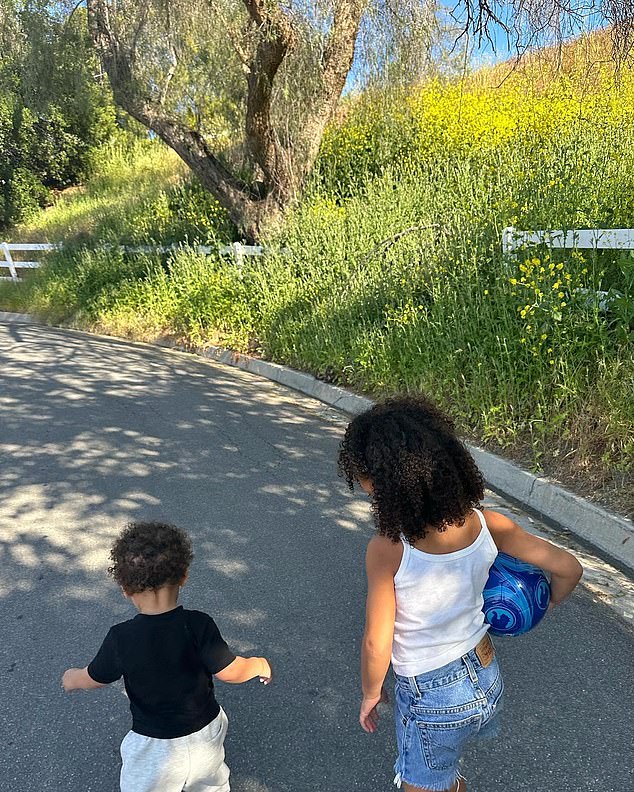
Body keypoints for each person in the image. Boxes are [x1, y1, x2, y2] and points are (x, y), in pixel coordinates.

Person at [337, 396, 583, 792]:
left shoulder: (389, 549)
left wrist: (369, 692)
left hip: (433, 696)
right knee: (442, 773)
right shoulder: (489, 524)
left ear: (386, 487)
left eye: (368, 483)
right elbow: (569, 568)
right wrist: (547, 602)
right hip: (485, 677)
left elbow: (375, 640)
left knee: (420, 782)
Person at [62, 521, 272, 792]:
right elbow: (230, 671)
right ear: (184, 576)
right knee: (211, 785)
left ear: (125, 589)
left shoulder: (121, 637)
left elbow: (95, 677)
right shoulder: (199, 624)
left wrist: (72, 678)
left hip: (153, 748)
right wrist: (258, 664)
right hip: (205, 735)